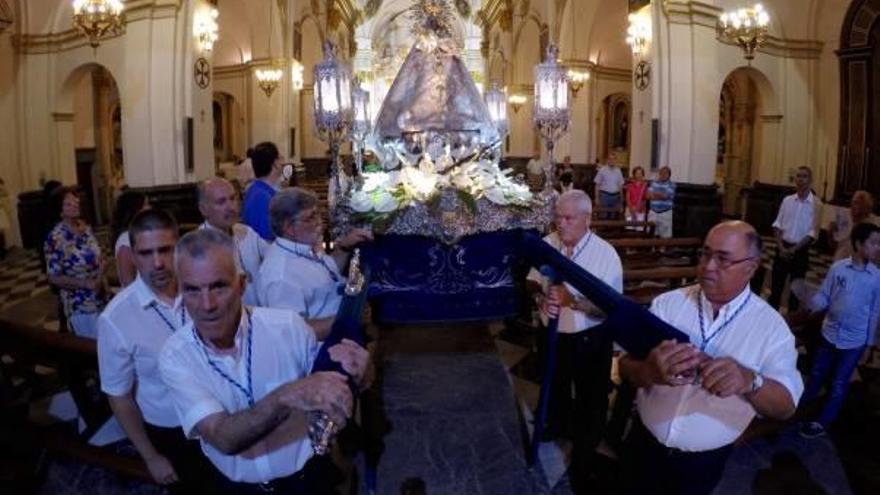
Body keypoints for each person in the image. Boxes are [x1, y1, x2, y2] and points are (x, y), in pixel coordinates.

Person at [159, 229, 370, 493]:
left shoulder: (288, 327)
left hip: (308, 478)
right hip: (235, 488)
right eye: (192, 290)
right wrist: (287, 396)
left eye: (219, 286)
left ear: (241, 285)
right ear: (180, 291)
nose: (207, 304)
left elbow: (331, 384)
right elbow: (222, 437)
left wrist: (360, 374)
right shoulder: (176, 355)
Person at [619, 221, 803, 495]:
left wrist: (749, 381)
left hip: (702, 461)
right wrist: (650, 372)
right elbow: (624, 367)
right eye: (706, 254)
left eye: (723, 259)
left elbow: (785, 406)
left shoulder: (772, 330)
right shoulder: (668, 305)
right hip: (643, 442)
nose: (709, 266)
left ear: (751, 267)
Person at [97, 209, 218, 493]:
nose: (158, 262)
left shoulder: (201, 288)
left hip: (222, 412)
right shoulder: (117, 318)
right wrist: (150, 456)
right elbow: (120, 398)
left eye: (165, 249)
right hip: (174, 433)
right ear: (133, 254)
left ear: (179, 246)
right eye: (145, 253)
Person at [527, 190, 623, 490]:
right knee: (553, 384)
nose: (561, 224)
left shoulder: (606, 255)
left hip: (589, 338)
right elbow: (531, 279)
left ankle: (585, 449)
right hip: (552, 333)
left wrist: (573, 301)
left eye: (568, 218)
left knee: (590, 397)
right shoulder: (549, 243)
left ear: (586, 218)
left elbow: (612, 309)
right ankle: (555, 424)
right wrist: (540, 297)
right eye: (558, 217)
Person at [797, 222, 880, 438]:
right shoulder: (838, 268)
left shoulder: (876, 277)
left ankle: (823, 421)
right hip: (829, 333)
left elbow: (874, 313)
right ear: (859, 243)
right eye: (873, 243)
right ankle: (800, 408)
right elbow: (825, 295)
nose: (877, 247)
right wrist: (812, 302)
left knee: (839, 383)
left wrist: (869, 345)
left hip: (854, 341)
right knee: (816, 373)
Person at [258, 187, 373, 321]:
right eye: (310, 217)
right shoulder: (280, 276)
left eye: (318, 213)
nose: (319, 221)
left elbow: (326, 275)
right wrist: (349, 317)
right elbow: (295, 332)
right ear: (289, 228)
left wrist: (343, 247)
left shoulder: (301, 246)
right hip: (329, 340)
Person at [44, 186, 106, 338]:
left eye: (75, 200)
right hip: (80, 304)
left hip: (101, 296)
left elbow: (97, 255)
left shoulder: (86, 229)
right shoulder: (56, 238)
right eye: (68, 203)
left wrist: (101, 269)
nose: (75, 203)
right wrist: (86, 284)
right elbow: (53, 277)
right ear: (60, 210)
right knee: (93, 349)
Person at [198, 177, 268, 306]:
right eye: (221, 202)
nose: (231, 207)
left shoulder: (247, 232)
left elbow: (273, 256)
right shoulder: (198, 246)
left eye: (232, 199)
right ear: (204, 209)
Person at [768, 166, 822, 311]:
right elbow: (777, 224)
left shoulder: (816, 204)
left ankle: (791, 323)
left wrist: (793, 250)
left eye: (804, 176)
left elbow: (813, 233)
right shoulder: (787, 200)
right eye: (798, 176)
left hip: (800, 251)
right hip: (782, 248)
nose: (800, 179)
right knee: (776, 288)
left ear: (810, 180)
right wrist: (781, 247)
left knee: (795, 292)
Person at [242, 142, 283, 241]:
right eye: (280, 158)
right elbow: (266, 238)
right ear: (275, 164)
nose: (282, 162)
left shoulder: (258, 191)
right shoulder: (262, 197)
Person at [111, 190, 149, 287]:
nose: (149, 208)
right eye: (145, 205)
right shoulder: (126, 240)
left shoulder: (140, 234)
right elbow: (128, 281)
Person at [829, 190, 880, 261]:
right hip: (840, 260)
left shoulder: (873, 223)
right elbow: (833, 244)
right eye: (854, 202)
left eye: (859, 203)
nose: (855, 206)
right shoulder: (844, 216)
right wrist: (831, 233)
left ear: (867, 207)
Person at [645, 166, 676, 238]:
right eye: (661, 173)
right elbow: (647, 196)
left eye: (665, 173)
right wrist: (660, 195)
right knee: (651, 232)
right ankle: (652, 248)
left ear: (669, 175)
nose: (662, 175)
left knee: (665, 234)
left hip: (665, 212)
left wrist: (654, 194)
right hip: (653, 211)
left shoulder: (672, 185)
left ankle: (662, 249)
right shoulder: (654, 183)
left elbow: (665, 196)